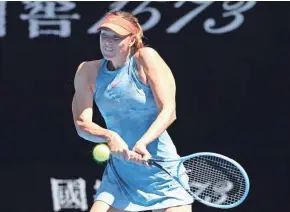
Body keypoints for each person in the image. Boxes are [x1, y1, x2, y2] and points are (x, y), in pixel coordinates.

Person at [72, 11, 194, 212]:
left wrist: (143, 143)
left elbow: (169, 111)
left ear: (132, 40)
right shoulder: (87, 71)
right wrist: (109, 136)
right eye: (104, 36)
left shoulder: (146, 58)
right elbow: (82, 124)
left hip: (161, 172)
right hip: (120, 175)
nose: (108, 42)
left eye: (116, 37)